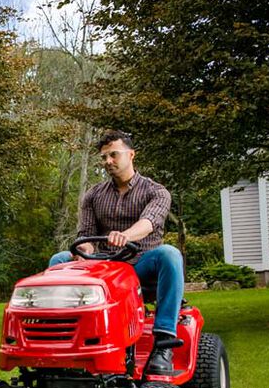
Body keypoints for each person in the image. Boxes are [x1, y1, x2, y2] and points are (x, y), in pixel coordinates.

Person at [49, 130, 184, 375]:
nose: (108, 161)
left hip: (141, 267)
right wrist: (84, 250)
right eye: (104, 158)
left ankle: (164, 343)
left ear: (131, 155)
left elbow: (149, 222)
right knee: (58, 261)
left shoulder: (156, 192)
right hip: (104, 268)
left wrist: (127, 236)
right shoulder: (93, 196)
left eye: (114, 155)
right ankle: (60, 339)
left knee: (170, 254)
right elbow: (86, 234)